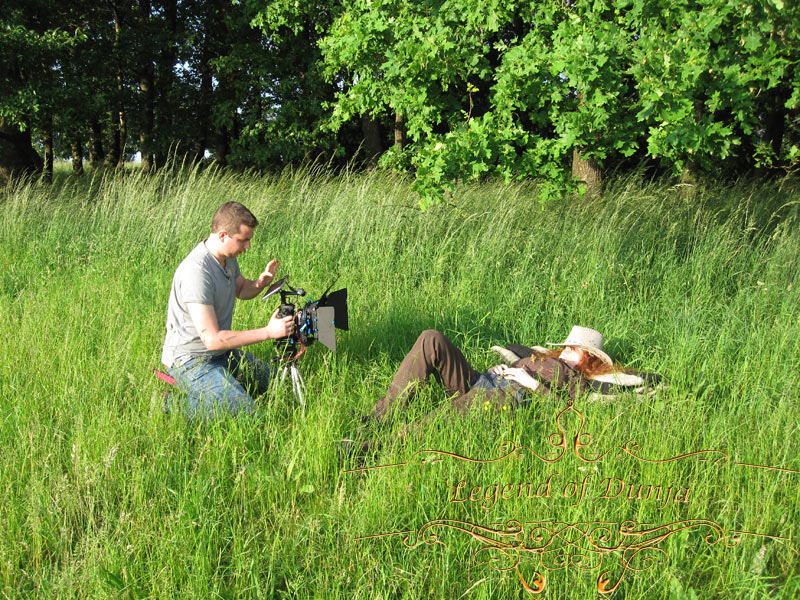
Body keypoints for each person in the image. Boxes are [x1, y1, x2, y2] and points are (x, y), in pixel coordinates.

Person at [161, 201, 295, 417]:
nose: (248, 247)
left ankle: (219, 389)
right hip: (190, 361)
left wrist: (260, 283)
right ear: (223, 235)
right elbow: (212, 339)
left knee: (279, 386)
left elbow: (241, 289)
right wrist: (270, 332)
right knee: (247, 415)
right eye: (243, 240)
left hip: (222, 354)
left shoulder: (226, 259)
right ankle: (170, 405)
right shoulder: (197, 272)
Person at [369, 325, 655, 422]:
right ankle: (379, 416)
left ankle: (377, 449)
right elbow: (514, 351)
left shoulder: (578, 382)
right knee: (431, 338)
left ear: (589, 359)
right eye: (566, 345)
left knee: (442, 420)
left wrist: (530, 384)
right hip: (486, 382)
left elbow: (564, 409)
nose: (566, 349)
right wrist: (502, 369)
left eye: (575, 348)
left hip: (506, 397)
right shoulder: (543, 356)